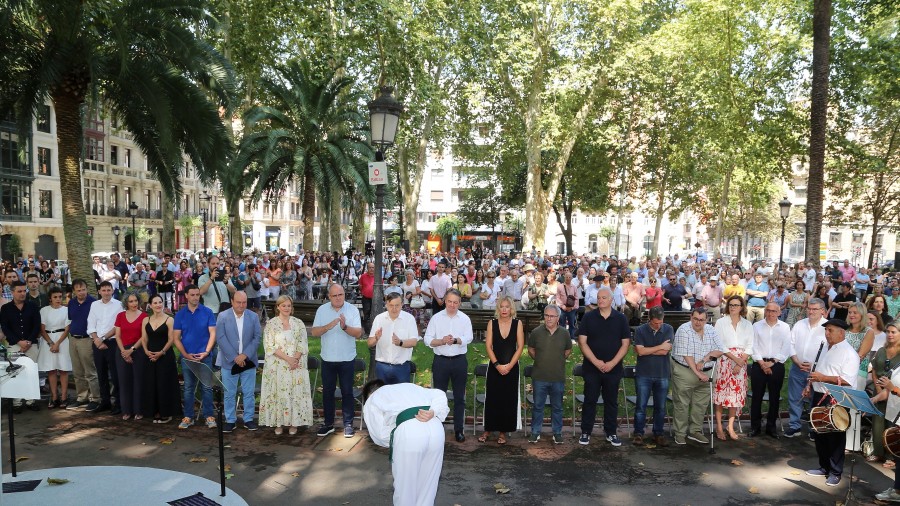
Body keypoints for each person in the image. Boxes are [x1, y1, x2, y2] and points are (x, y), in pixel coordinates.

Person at [361, 379, 449, 506]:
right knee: (428, 484)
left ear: (369, 394)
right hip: (435, 427)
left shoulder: (373, 398)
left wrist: (396, 439)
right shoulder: (410, 387)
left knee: (405, 487)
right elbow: (440, 394)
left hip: (409, 433)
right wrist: (434, 411)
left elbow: (379, 434)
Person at [804, 318, 860, 488]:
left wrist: (823, 378)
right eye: (826, 330)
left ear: (841, 333)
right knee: (819, 433)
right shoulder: (823, 347)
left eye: (830, 330)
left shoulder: (850, 353)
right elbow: (817, 370)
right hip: (819, 394)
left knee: (835, 436)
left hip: (837, 398)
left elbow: (847, 380)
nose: (826, 334)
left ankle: (836, 472)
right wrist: (809, 384)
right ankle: (824, 467)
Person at [577, 287, 630, 446]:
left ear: (612, 299)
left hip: (613, 369)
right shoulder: (588, 317)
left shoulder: (621, 319)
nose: (600, 300)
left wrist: (612, 363)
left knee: (611, 401)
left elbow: (625, 344)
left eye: (604, 298)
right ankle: (586, 432)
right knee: (590, 400)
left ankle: (611, 432)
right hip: (592, 368)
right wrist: (597, 362)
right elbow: (582, 342)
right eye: (598, 297)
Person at [311, 284, 364, 438]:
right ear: (329, 296)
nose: (338, 297)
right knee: (328, 392)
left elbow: (358, 333)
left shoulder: (352, 310)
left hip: (347, 358)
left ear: (344, 295)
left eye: (340, 294)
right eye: (334, 295)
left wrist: (344, 326)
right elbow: (314, 332)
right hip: (327, 358)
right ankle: (328, 424)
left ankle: (348, 425)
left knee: (347, 392)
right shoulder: (322, 310)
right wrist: (327, 326)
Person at [671, 308, 729, 445]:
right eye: (695, 319)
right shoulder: (683, 330)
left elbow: (720, 349)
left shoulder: (710, 329)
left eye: (701, 320)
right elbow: (687, 355)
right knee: (682, 403)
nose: (698, 322)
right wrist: (698, 373)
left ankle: (695, 431)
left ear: (706, 320)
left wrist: (705, 360)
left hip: (707, 370)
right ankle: (680, 433)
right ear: (691, 317)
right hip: (685, 370)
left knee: (701, 403)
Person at [259, 295, 314, 434]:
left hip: (296, 366)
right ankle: (278, 423)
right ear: (278, 307)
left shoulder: (299, 323)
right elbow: (269, 346)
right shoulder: (271, 324)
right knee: (279, 393)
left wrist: (294, 360)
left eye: (289, 305)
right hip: (277, 366)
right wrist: (288, 359)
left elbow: (303, 343)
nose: (286, 308)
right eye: (283, 305)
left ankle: (294, 423)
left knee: (294, 394)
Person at [425, 289, 473, 442]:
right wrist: (441, 341)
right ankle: (438, 428)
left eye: (455, 302)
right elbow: (427, 339)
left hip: (459, 361)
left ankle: (459, 430)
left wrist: (457, 340)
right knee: (439, 397)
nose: (452, 305)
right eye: (450, 301)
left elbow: (469, 337)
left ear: (460, 303)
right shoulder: (436, 318)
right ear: (445, 300)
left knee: (460, 397)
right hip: (441, 361)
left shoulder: (465, 319)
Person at [216, 291, 262, 432]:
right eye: (238, 302)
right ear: (232, 301)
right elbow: (221, 338)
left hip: (248, 361)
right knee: (229, 392)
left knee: (248, 392)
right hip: (229, 361)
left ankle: (248, 419)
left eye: (244, 302)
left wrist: (245, 355)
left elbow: (257, 338)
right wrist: (235, 357)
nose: (241, 305)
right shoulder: (223, 316)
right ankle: (230, 420)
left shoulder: (253, 317)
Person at [480, 296, 524, 444]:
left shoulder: (518, 324)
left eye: (507, 306)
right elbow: (488, 346)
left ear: (512, 309)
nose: (504, 309)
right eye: (502, 306)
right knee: (492, 399)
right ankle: (487, 430)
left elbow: (520, 347)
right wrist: (497, 365)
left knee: (507, 400)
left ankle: (503, 432)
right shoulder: (491, 323)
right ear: (498, 308)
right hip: (494, 367)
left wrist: (510, 366)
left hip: (512, 368)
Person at [173, 284, 218, 429]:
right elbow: (176, 338)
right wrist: (185, 355)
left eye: (197, 294)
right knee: (188, 388)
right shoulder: (180, 315)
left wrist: (206, 351)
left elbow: (213, 333)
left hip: (204, 357)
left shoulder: (207, 312)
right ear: (186, 296)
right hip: (187, 358)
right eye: (192, 294)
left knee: (207, 387)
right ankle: (188, 417)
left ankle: (209, 416)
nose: (195, 297)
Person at [527, 304, 572, 445]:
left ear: (558, 318)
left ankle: (557, 433)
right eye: (546, 315)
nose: (548, 318)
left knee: (557, 407)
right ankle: (535, 432)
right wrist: (541, 360)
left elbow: (567, 351)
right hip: (539, 377)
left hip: (557, 377)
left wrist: (556, 360)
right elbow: (531, 349)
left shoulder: (565, 333)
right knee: (538, 406)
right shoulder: (536, 332)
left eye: (552, 316)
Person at [783, 298, 828, 439]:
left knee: (816, 400)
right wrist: (796, 361)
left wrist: (816, 365)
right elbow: (790, 343)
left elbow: (829, 349)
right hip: (798, 367)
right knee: (795, 397)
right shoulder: (799, 324)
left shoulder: (827, 327)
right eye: (809, 308)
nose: (811, 311)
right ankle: (794, 425)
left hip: (818, 371)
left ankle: (813, 428)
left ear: (822, 311)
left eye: (815, 309)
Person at [712, 295, 753, 441]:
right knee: (721, 396)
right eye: (731, 305)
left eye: (736, 305)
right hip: (724, 361)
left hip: (740, 364)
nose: (733, 307)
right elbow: (719, 344)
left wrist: (740, 362)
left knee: (734, 397)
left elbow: (750, 345)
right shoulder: (721, 322)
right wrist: (735, 360)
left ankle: (730, 426)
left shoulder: (747, 324)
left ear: (742, 307)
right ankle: (718, 426)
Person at [748, 302, 791, 438]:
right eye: (768, 310)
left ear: (779, 312)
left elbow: (786, 347)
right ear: (765, 311)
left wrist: (771, 363)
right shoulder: (756, 326)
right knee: (757, 397)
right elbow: (753, 346)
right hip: (759, 364)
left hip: (776, 365)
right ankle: (755, 427)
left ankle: (771, 427)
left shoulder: (785, 327)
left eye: (774, 311)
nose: (771, 313)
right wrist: (762, 364)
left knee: (774, 397)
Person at [632, 306, 673, 446]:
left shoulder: (668, 329)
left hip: (662, 373)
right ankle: (638, 433)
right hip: (644, 373)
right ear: (649, 320)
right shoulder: (640, 330)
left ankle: (658, 433)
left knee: (660, 407)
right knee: (640, 406)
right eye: (655, 323)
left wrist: (647, 350)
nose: (658, 325)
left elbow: (664, 352)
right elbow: (640, 351)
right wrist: (659, 346)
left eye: (660, 322)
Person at [140, 294, 181, 424]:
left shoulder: (169, 320)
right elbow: (144, 338)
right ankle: (155, 411)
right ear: (150, 305)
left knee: (164, 384)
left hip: (165, 356)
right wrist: (146, 351)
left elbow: (171, 339)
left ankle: (167, 412)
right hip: (150, 356)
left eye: (160, 302)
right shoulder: (146, 320)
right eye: (155, 303)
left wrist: (161, 352)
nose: (158, 305)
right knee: (152, 384)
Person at [87, 281, 123, 415]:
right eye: (104, 290)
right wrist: (96, 339)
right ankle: (105, 401)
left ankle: (118, 403)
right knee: (101, 374)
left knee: (115, 375)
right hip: (96, 343)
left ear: (112, 291)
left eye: (109, 290)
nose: (106, 293)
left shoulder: (119, 305)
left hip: (112, 343)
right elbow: (91, 324)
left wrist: (102, 339)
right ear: (99, 291)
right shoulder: (94, 305)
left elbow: (117, 326)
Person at [368, 292, 420, 384]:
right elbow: (369, 343)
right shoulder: (379, 319)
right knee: (383, 397)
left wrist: (400, 342)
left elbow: (414, 342)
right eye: (391, 305)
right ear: (386, 305)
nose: (394, 309)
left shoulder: (409, 319)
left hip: (402, 367)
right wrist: (376, 338)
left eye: (397, 305)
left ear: (402, 305)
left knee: (401, 397)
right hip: (382, 367)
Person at [66, 279, 101, 411]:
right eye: (78, 290)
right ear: (74, 291)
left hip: (87, 339)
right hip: (73, 339)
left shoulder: (93, 303)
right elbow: (71, 319)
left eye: (83, 289)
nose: (81, 292)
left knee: (90, 371)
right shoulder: (72, 303)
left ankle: (95, 398)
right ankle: (82, 397)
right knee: (77, 371)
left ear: (87, 289)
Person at [869, 322, 900, 466]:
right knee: (877, 423)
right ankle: (878, 453)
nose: (890, 334)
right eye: (888, 332)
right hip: (879, 390)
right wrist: (878, 388)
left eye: (893, 332)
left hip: (895, 393)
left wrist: (888, 389)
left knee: (891, 425)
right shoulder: (881, 350)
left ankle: (892, 456)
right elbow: (874, 370)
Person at [114, 293, 148, 420]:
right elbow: (117, 335)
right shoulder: (120, 316)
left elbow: (144, 337)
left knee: (138, 381)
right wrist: (124, 351)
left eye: (135, 301)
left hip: (138, 350)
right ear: (126, 303)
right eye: (131, 301)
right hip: (122, 350)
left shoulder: (144, 316)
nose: (134, 304)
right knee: (124, 381)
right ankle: (126, 410)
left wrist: (132, 350)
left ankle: (139, 410)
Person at [38, 286, 72, 408]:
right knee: (51, 370)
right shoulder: (44, 310)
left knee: (63, 369)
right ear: (50, 299)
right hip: (48, 340)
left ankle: (64, 396)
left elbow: (67, 329)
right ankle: (54, 397)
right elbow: (42, 329)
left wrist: (57, 344)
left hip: (62, 340)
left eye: (59, 297)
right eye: (55, 297)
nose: (58, 299)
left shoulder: (66, 310)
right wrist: (51, 344)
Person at [846, 301, 875, 389]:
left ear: (862, 314)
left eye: (855, 312)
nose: (851, 315)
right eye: (850, 312)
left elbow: (860, 355)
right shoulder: (845, 329)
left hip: (858, 372)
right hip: (840, 371)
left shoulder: (868, 332)